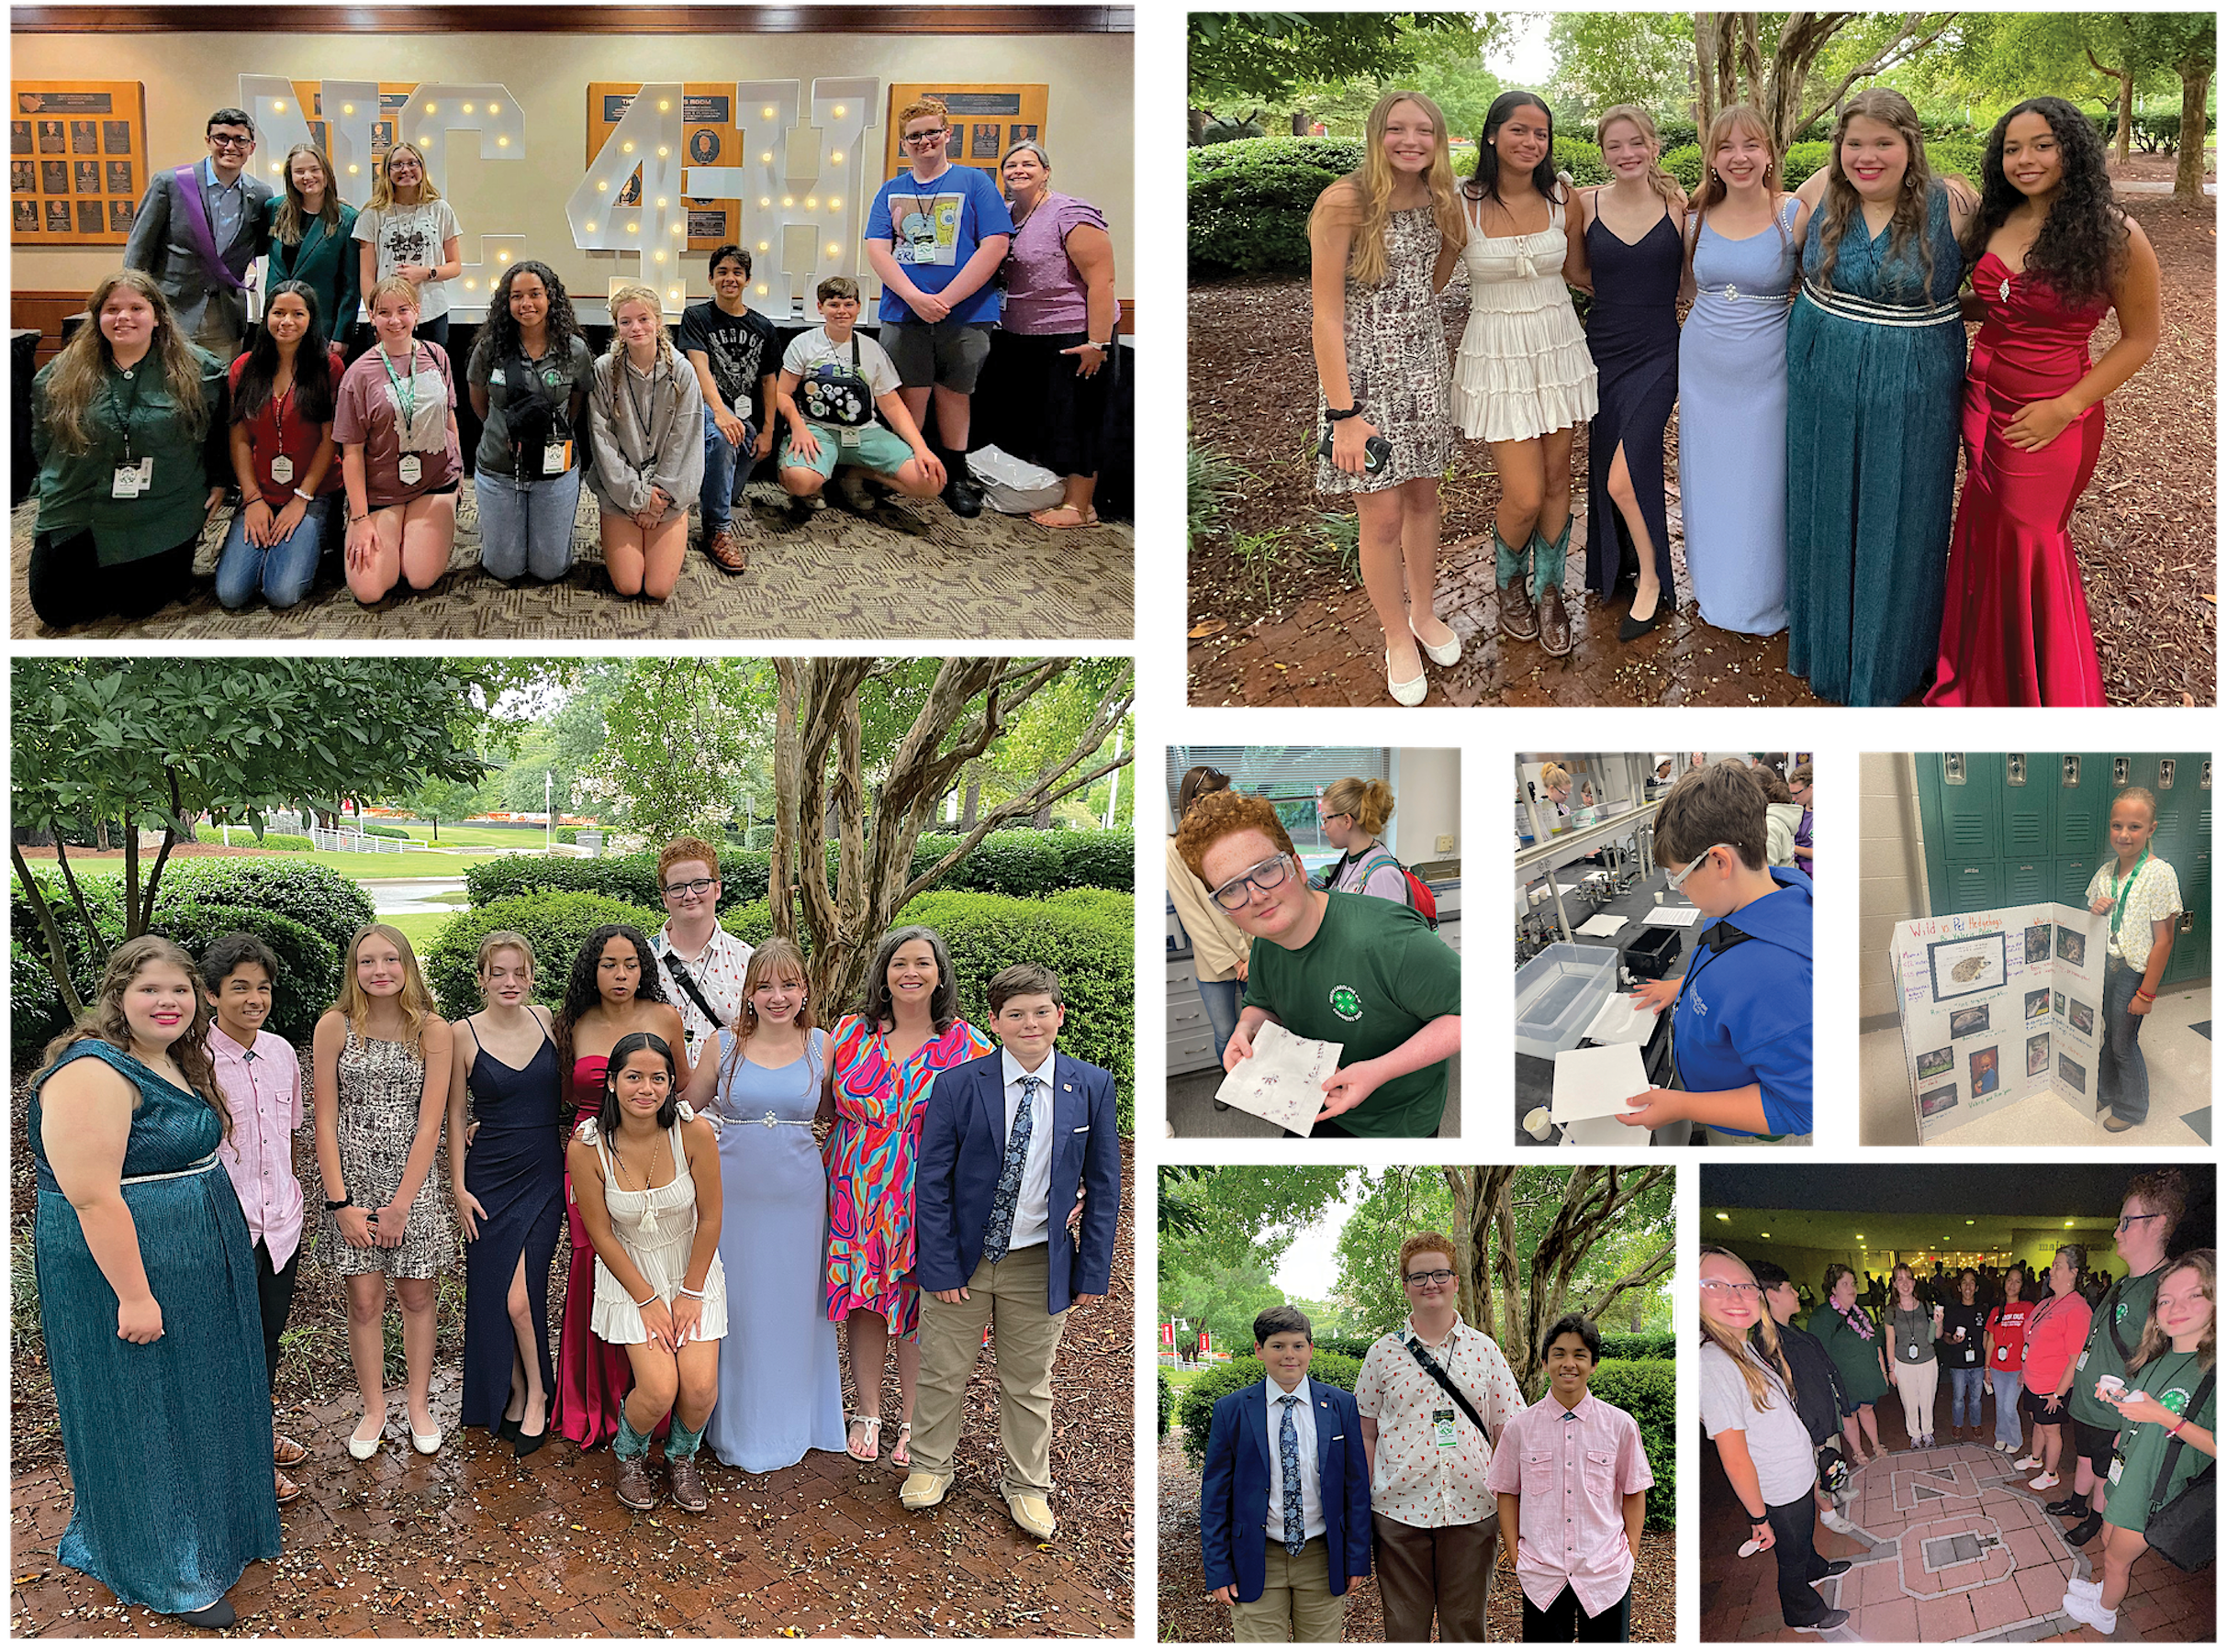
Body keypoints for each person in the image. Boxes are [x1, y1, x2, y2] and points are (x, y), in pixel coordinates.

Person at [29, 936, 282, 1628]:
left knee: (198, 1395)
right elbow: (90, 1197)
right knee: (146, 1410)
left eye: (177, 990)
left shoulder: (169, 1058)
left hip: (195, 1261)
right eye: (149, 990)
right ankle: (166, 1566)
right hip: (128, 1270)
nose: (166, 1002)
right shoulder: (90, 1072)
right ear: (117, 996)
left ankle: (211, 1535)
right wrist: (135, 1296)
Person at [1926, 96, 2160, 707]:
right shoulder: (1996, 221)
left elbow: (2140, 340)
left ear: (2072, 151)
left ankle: (2039, 691)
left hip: (2052, 415)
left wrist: (2067, 406)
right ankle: (1977, 675)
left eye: (2042, 145)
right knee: (1984, 534)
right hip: (1980, 402)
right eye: (2012, 148)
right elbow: (1996, 303)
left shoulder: (2115, 235)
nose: (2024, 159)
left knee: (2031, 540)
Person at [903, 964, 1120, 1540]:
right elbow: (932, 1183)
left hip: (1038, 1260)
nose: (1030, 1023)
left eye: (1041, 1012)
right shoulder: (957, 1085)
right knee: (944, 1371)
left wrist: (1090, 1270)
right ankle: (929, 1465)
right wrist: (942, 1264)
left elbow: (1104, 1186)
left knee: (1029, 1381)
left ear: (1059, 1016)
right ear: (994, 1022)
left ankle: (1027, 1484)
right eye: (1016, 1014)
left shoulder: (1092, 1087)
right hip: (965, 1261)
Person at [1784, 89, 1982, 706]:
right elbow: (1773, 251)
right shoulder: (1819, 192)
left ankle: (1890, 664)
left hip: (1913, 382)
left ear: (1910, 145)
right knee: (1826, 502)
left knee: (1901, 514)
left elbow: (1999, 283)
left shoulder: (1953, 205)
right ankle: (1824, 648)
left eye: (1883, 143)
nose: (1866, 157)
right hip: (1823, 376)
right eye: (1855, 143)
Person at [1175, 789, 1462, 1141]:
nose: (1256, 896)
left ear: (1295, 864)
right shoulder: (1266, 944)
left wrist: (1377, 1071)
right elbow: (1262, 1003)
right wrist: (1247, 1028)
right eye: (1232, 890)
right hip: (1312, 1104)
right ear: (1221, 905)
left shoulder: (1388, 937)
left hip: (1394, 1121)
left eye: (1266, 870)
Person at [1309, 89, 1468, 705]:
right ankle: (1395, 635)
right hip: (1360, 380)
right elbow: (1325, 318)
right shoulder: (1344, 202)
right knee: (1379, 516)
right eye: (1398, 129)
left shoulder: (1439, 199)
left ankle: (1424, 615)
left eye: (1424, 130)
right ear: (1377, 133)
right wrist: (1344, 414)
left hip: (1424, 368)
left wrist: (1447, 245)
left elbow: (1437, 274)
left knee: (1425, 498)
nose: (1411, 141)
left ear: (1437, 137)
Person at [818, 926, 992, 1469]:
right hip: (855, 1190)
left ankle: (915, 1420)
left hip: (929, 1192)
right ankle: (867, 1411)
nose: (910, 973)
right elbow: (818, 1105)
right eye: (899, 963)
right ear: (883, 974)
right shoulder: (848, 1033)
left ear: (941, 973)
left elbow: (992, 1126)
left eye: (923, 962)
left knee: (919, 1305)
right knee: (864, 1303)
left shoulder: (970, 1046)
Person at [679, 938, 845, 1471]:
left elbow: (839, 1112)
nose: (777, 996)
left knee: (794, 1307)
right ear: (748, 992)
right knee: (740, 1305)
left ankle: (797, 1421)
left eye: (789, 985)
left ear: (805, 990)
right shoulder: (722, 1044)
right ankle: (733, 1423)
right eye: (765, 985)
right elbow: (684, 1108)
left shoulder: (824, 1044)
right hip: (733, 1194)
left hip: (800, 1196)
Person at [1457, 90, 1599, 658]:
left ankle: (1548, 593)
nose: (1531, 142)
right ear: (1493, 134)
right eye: (1520, 130)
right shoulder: (1459, 203)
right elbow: (1431, 274)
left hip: (1557, 347)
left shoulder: (1566, 198)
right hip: (1498, 357)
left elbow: (1583, 271)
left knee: (1559, 482)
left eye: (1541, 134)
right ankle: (1508, 582)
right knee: (1523, 494)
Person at [1615, 763, 1815, 1145]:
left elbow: (1799, 1107)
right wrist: (1685, 987)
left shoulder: (1778, 975)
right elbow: (1725, 963)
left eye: (1679, 876)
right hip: (1704, 1087)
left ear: (1720, 862)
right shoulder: (1737, 905)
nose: (1680, 889)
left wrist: (1684, 1106)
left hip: (1743, 1128)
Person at [313, 923, 454, 1458]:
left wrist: (401, 1205)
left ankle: (418, 1405)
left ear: (407, 965)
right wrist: (340, 1203)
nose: (380, 971)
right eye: (367, 961)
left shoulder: (432, 1031)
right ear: (354, 969)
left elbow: (430, 1124)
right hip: (351, 1181)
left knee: (417, 1295)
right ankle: (374, 1408)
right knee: (365, 1299)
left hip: (411, 1186)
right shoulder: (335, 1026)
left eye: (390, 960)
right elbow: (324, 1119)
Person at [568, 1032, 727, 1512]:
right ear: (612, 1083)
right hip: (630, 1274)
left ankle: (681, 1457)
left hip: (691, 1269)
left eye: (658, 1078)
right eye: (633, 1077)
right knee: (659, 1389)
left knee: (699, 1389)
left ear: (671, 1084)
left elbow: (712, 1216)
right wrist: (647, 1299)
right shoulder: (588, 1148)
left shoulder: (693, 1132)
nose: (646, 1088)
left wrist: (690, 1291)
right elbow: (601, 1235)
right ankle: (630, 1452)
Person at [550, 924, 691, 1451]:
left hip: (656, 1153)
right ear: (593, 969)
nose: (621, 975)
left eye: (631, 964)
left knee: (656, 1260)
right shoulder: (574, 1023)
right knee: (594, 1263)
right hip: (590, 1154)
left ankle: (655, 1398)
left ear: (644, 968)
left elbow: (678, 1086)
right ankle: (596, 1403)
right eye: (609, 964)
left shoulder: (664, 1018)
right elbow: (562, 1095)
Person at [1676, 106, 1810, 639]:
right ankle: (1715, 590)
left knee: (1762, 483)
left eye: (1751, 145)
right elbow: (1684, 287)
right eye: (1726, 147)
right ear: (1711, 158)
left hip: (1769, 370)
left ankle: (1766, 597)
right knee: (1710, 481)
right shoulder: (1693, 218)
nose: (1739, 157)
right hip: (1705, 368)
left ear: (1769, 153)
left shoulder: (1793, 214)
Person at [28, 270, 228, 628]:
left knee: (140, 604)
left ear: (157, 317)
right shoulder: (60, 374)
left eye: (136, 307)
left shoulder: (199, 371)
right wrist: (49, 486)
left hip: (162, 508)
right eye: (112, 309)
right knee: (56, 609)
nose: (123, 317)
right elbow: (44, 440)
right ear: (97, 316)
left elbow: (215, 434)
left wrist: (218, 481)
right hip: (82, 506)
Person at [1353, 1231, 1524, 1640]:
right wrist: (1366, 1497)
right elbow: (1366, 1432)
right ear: (1406, 1285)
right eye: (1419, 1276)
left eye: (1440, 1274)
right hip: (1398, 1514)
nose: (1431, 1283)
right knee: (1404, 1628)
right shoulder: (1382, 1354)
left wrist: (1512, 1504)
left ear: (1456, 1282)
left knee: (1465, 1628)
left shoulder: (1484, 1351)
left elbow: (1509, 1433)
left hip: (1472, 1513)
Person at [863, 95, 1014, 518]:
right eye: (914, 136)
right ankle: (909, 469)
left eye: (931, 132)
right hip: (903, 312)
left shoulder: (975, 182)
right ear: (904, 143)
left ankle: (954, 474)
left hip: (967, 314)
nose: (923, 141)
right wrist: (914, 297)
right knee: (909, 393)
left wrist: (947, 300)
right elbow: (878, 249)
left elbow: (995, 244)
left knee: (954, 394)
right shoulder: (891, 191)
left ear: (947, 134)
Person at [444, 931, 565, 1454]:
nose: (509, 982)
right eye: (498, 972)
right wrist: (457, 1186)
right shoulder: (461, 1034)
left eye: (519, 972)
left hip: (544, 1173)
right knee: (499, 1295)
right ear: (482, 979)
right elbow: (452, 1117)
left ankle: (537, 1393)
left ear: (532, 975)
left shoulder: (550, 1022)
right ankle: (517, 1389)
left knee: (522, 1296)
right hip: (488, 1178)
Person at [200, 932, 309, 1507]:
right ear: (212, 994)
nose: (253, 999)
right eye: (239, 987)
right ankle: (239, 1458)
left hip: (280, 1226)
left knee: (266, 1339)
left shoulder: (282, 1053)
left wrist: (291, 1200)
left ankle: (256, 1434)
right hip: (223, 1228)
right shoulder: (192, 1060)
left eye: (262, 988)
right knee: (224, 1345)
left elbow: (287, 1141)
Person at [1572, 106, 1685, 642]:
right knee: (1608, 461)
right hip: (1603, 347)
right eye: (1614, 145)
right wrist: (1616, 298)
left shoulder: (1678, 205)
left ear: (1653, 145)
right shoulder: (1585, 203)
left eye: (1635, 142)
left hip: (1661, 349)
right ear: (1603, 152)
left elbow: (1688, 278)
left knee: (1624, 473)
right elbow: (1576, 268)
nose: (1626, 154)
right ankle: (1615, 569)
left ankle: (1653, 579)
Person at [2064, 1247, 2218, 1635]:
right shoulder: (2159, 1355)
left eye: (2193, 1295)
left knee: (2117, 1559)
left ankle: (2105, 1611)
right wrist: (2117, 1395)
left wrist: (2164, 1417)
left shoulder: (2211, 1370)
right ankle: (2104, 1592)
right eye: (2165, 1299)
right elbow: (2140, 1404)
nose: (2174, 1307)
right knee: (2107, 1536)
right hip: (2126, 1471)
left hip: (2154, 1490)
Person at [1698, 1245, 1849, 1633]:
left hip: (1794, 1473)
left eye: (1744, 1286)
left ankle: (1816, 1568)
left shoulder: (1741, 1344)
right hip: (1777, 1487)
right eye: (1716, 1285)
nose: (1736, 1297)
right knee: (1790, 1556)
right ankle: (1802, 1612)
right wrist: (1758, 1517)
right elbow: (1733, 1457)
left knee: (1803, 1540)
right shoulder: (1714, 1362)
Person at [1200, 1305, 1371, 1642]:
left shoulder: (1340, 1406)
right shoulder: (1231, 1410)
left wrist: (1357, 1557)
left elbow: (1357, 1488)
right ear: (1259, 1350)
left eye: (1297, 1345)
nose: (1289, 1355)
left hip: (1322, 1557)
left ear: (1310, 1349)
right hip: (1256, 1555)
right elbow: (1215, 1496)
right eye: (1278, 1346)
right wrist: (1218, 1568)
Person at [1486, 1312, 1654, 1642]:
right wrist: (1515, 1552)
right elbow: (1506, 1491)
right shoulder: (1520, 1428)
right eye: (1559, 1354)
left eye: (1580, 1355)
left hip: (1605, 1570)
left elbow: (1634, 1491)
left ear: (1593, 1364)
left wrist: (1630, 1553)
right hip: (1542, 1572)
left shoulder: (1620, 1426)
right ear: (1546, 1360)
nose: (1569, 1364)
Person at [988, 139, 1117, 530]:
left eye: (1028, 163)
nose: (1018, 170)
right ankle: (1047, 492)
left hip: (1073, 335)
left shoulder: (1069, 213)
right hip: (1018, 334)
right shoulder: (1006, 216)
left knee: (1080, 417)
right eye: (1010, 165)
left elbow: (1102, 281)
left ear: (1045, 171)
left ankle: (1081, 507)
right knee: (1043, 419)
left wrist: (1097, 343)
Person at [2052, 1169, 2183, 1548]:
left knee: (2105, 1471)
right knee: (2086, 1459)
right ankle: (2078, 1504)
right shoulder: (2125, 1283)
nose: (2117, 1231)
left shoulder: (2166, 1289)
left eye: (2126, 1221)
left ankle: (2095, 1519)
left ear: (2156, 1223)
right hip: (2091, 1406)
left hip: (2115, 1413)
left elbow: (2170, 1362)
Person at [218, 279, 344, 609]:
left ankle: (317, 538)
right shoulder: (243, 368)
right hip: (261, 489)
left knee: (282, 593)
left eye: (297, 314)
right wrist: (252, 498)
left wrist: (301, 499)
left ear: (310, 319)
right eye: (278, 313)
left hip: (313, 491)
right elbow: (240, 436)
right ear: (266, 317)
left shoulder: (329, 367)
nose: (287, 321)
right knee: (231, 594)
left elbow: (331, 439)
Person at [332, 275, 461, 602]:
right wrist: (360, 518)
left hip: (434, 483)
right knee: (369, 590)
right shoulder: (357, 375)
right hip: (381, 490)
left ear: (416, 313)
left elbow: (449, 418)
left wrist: (458, 473)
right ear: (372, 317)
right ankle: (392, 527)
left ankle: (418, 528)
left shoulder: (437, 355)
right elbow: (351, 453)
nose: (394, 320)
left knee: (419, 578)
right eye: (384, 312)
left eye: (403, 310)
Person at [773, 275, 947, 516]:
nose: (841, 311)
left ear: (858, 307)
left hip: (864, 432)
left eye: (848, 304)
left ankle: (854, 473)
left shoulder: (872, 349)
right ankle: (816, 480)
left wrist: (921, 448)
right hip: (817, 430)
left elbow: (893, 406)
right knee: (799, 481)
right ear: (820, 307)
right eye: (833, 305)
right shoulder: (803, 344)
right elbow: (782, 393)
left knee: (931, 481)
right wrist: (798, 427)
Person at [467, 260, 596, 585]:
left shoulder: (575, 351)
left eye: (535, 294)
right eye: (516, 296)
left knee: (550, 569)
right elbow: (479, 400)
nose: (526, 304)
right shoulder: (489, 349)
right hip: (499, 468)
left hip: (554, 472)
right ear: (506, 303)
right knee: (504, 568)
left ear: (550, 297)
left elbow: (576, 405)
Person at [121, 107, 273, 362]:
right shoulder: (171, 184)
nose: (230, 146)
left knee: (219, 392)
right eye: (221, 138)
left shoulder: (260, 194)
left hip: (225, 315)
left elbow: (259, 246)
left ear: (252, 147)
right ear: (208, 141)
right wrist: (133, 304)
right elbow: (139, 249)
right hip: (172, 311)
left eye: (240, 140)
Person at [587, 285, 703, 600]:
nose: (635, 328)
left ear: (658, 322)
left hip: (668, 493)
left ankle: (668, 520)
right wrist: (636, 497)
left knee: (657, 588)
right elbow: (602, 440)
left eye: (643, 319)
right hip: (621, 490)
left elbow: (686, 439)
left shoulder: (682, 371)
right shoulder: (603, 370)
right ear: (617, 327)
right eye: (626, 322)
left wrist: (660, 496)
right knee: (628, 585)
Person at [2081, 786, 2182, 1131]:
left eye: (2134, 827)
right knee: (2109, 1034)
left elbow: (2164, 941)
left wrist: (2146, 993)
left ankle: (2133, 1106)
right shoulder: (2108, 872)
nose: (2124, 835)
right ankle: (2105, 1089)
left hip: (2131, 973)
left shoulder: (2159, 874)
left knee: (2124, 1043)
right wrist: (2094, 909)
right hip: (2105, 967)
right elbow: (2092, 914)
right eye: (2117, 826)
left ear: (2151, 829)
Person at [677, 243, 782, 573]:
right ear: (711, 278)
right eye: (722, 272)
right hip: (707, 409)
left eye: (737, 272)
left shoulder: (763, 327)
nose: (729, 278)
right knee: (724, 438)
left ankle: (714, 497)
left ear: (747, 279)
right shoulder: (697, 317)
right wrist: (721, 412)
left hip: (746, 417)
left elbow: (769, 381)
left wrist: (768, 431)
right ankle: (717, 530)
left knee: (738, 464)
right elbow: (700, 366)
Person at [1752, 1264, 1859, 1538]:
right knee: (1814, 1467)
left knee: (1830, 1458)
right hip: (1805, 1422)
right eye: (1789, 1289)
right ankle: (1827, 1511)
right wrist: (1810, 1425)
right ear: (1772, 1295)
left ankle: (1836, 1489)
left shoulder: (1792, 1330)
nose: (1797, 1294)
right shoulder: (1769, 1341)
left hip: (1821, 1412)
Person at [646, 834, 755, 1073]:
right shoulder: (641, 961)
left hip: (729, 1108)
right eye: (677, 888)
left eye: (699, 884)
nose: (689, 895)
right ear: (665, 898)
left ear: (717, 889)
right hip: (657, 1106)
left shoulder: (748, 961)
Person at [350, 141, 462, 350]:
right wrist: (375, 316)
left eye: (412, 163)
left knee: (430, 375)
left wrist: (425, 272)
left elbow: (455, 265)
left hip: (431, 313)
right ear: (387, 171)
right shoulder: (372, 214)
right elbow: (366, 274)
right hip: (389, 318)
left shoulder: (440, 209)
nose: (406, 170)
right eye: (397, 165)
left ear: (422, 168)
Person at [260, 143, 360, 364]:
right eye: (299, 171)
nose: (307, 176)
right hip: (278, 325)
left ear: (326, 172)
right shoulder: (273, 209)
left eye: (314, 169)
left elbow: (351, 285)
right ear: (290, 176)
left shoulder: (347, 219)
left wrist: (341, 334)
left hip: (321, 327)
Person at [2017, 1245, 2091, 1492]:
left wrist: (2058, 1394)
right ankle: (2035, 1458)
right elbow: (2030, 1340)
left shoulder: (2077, 1309)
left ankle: (2051, 1473)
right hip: (2033, 1379)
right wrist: (2023, 1370)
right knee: (2037, 1422)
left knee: (2051, 1429)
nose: (2051, 1270)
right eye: (2052, 1265)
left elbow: (2075, 1359)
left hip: (2051, 1385)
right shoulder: (2047, 1302)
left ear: (2073, 1273)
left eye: (2058, 1266)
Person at [1806, 1264, 1890, 1468]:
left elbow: (1875, 1342)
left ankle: (1876, 1444)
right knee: (1849, 1413)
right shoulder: (1823, 1316)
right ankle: (1858, 1451)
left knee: (1868, 1408)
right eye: (1845, 1284)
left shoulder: (1861, 1313)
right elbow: (1817, 1353)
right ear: (1833, 1289)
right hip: (1844, 1378)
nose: (1851, 1288)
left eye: (1853, 1283)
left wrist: (1883, 1371)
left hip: (1867, 1375)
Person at [1986, 1262, 2035, 1456]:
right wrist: (1986, 1368)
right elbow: (1991, 1340)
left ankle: (2015, 1438)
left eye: (2017, 1281)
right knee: (2000, 1405)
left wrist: (2026, 1369)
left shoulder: (2028, 1308)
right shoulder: (1996, 1310)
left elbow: (2032, 1339)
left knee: (2008, 1406)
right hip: (1997, 1367)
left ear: (2022, 1286)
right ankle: (2001, 1435)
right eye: (2009, 1281)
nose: (2012, 1285)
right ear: (2003, 1283)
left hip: (2017, 1367)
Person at [1940, 1267, 1988, 1439]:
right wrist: (1953, 1340)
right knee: (1958, 1398)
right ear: (1959, 1287)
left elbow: (1987, 1336)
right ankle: (1957, 1424)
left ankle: (1976, 1424)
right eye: (1964, 1282)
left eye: (1972, 1282)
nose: (1968, 1286)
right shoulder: (1952, 1310)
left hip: (1978, 1363)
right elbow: (1945, 1336)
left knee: (1976, 1398)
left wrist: (1987, 1364)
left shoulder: (1983, 1310)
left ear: (1976, 1288)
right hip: (1958, 1363)